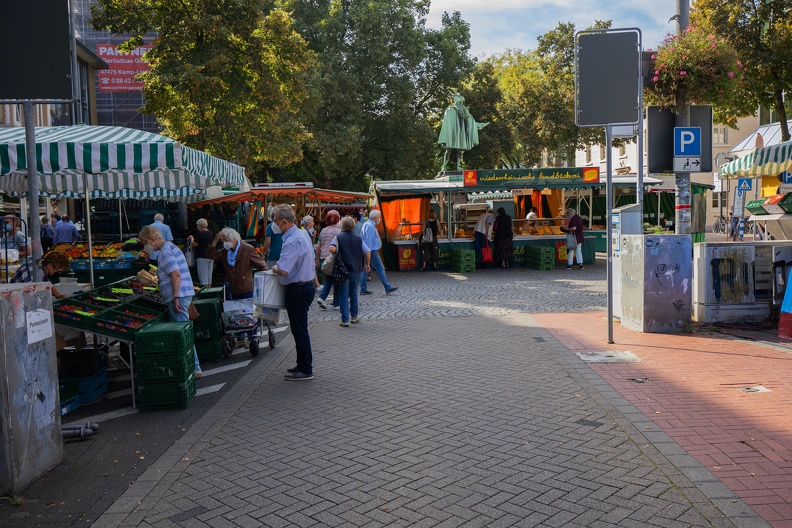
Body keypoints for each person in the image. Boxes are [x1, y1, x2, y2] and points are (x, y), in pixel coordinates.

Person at [138, 225, 203, 378]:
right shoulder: (169, 248)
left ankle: (194, 368)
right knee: (183, 330)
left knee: (182, 332)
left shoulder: (166, 252)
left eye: (145, 243)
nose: (145, 246)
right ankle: (194, 367)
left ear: (151, 239)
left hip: (178, 296)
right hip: (182, 294)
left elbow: (175, 275)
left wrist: (175, 297)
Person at [270, 204, 316, 381]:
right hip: (304, 286)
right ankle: (302, 364)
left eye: (275, 221)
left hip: (297, 289)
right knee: (299, 329)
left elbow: (283, 269)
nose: (274, 225)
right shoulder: (301, 233)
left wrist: (274, 268)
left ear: (284, 221)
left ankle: (305, 369)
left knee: (299, 329)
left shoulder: (292, 240)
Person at [330, 216, 371, 326]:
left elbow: (332, 248)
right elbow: (367, 252)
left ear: (342, 226)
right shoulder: (358, 238)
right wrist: (367, 264)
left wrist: (335, 252)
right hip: (356, 268)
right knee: (354, 292)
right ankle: (354, 316)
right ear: (353, 226)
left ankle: (344, 319)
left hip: (343, 269)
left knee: (343, 294)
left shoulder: (338, 237)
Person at [205, 227, 267, 300]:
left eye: (226, 240)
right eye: (223, 240)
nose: (225, 242)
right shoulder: (225, 251)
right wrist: (216, 240)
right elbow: (210, 256)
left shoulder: (247, 249)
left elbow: (262, 265)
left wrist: (264, 283)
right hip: (232, 289)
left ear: (233, 238)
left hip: (245, 289)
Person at [437, 93, 489, 171]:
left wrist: (476, 124)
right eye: (456, 99)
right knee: (448, 150)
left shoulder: (463, 109)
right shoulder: (450, 109)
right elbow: (447, 122)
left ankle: (458, 167)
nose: (457, 101)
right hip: (452, 133)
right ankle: (444, 166)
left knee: (458, 150)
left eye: (458, 99)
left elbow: (469, 119)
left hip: (460, 133)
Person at [359, 210, 399, 295]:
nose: (379, 219)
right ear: (375, 217)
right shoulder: (370, 226)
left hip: (369, 250)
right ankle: (387, 287)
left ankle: (363, 288)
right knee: (380, 268)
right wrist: (368, 255)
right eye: (379, 217)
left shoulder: (367, 224)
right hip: (371, 251)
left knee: (366, 269)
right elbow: (368, 241)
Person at [316, 210, 342, 309]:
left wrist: (317, 259)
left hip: (323, 258)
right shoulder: (339, 231)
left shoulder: (323, 231)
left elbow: (318, 246)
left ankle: (334, 302)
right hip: (333, 258)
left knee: (329, 279)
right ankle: (326, 299)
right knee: (335, 280)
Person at [188, 218, 215, 287]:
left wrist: (191, 238)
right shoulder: (210, 233)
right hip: (210, 257)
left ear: (200, 225)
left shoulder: (201, 233)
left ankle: (205, 292)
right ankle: (209, 291)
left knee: (203, 276)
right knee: (209, 276)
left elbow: (194, 244)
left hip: (202, 257)